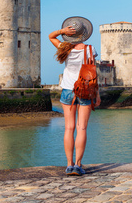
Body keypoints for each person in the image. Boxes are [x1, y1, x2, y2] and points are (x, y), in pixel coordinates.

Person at [49, 16, 101, 176]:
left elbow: (51, 36)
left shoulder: (64, 48)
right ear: (84, 33)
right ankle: (78, 165)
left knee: (69, 128)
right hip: (85, 90)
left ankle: (69, 164)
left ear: (69, 34)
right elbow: (93, 73)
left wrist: (61, 31)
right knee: (82, 128)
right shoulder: (90, 50)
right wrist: (97, 95)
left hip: (67, 91)